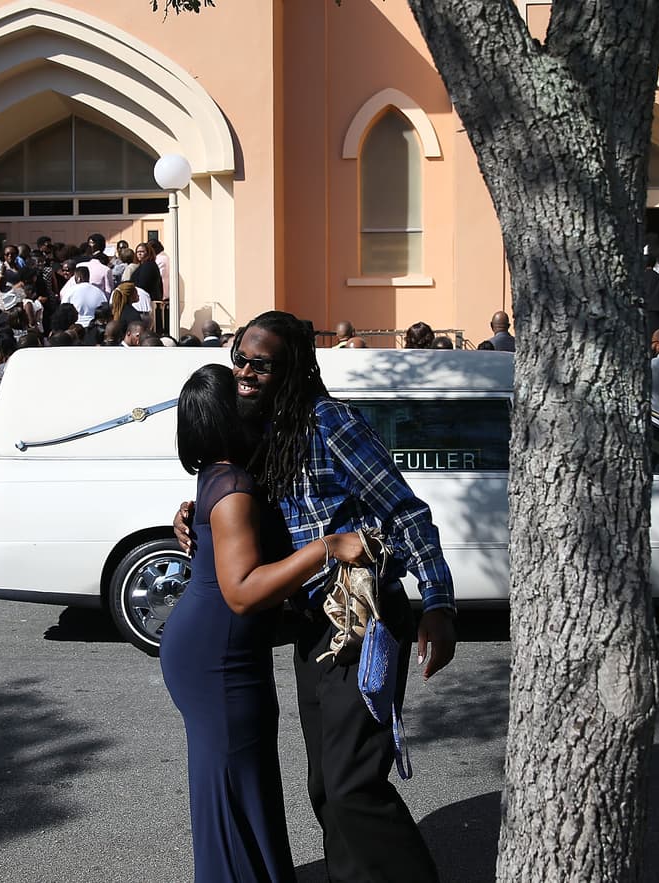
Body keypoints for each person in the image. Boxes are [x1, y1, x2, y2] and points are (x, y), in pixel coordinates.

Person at [174, 311, 455, 882]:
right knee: (326, 784)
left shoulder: (330, 423)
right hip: (312, 624)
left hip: (362, 618)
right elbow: (241, 505)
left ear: (294, 369)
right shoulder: (260, 428)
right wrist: (190, 514)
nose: (245, 373)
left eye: (261, 365)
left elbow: (406, 511)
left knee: (353, 784)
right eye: (240, 360)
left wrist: (439, 603)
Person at [160, 363, 369, 883]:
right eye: (242, 393)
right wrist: (328, 547)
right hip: (218, 657)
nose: (253, 395)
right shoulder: (233, 488)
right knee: (234, 784)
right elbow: (243, 592)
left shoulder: (226, 476)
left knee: (239, 783)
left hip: (216, 649)